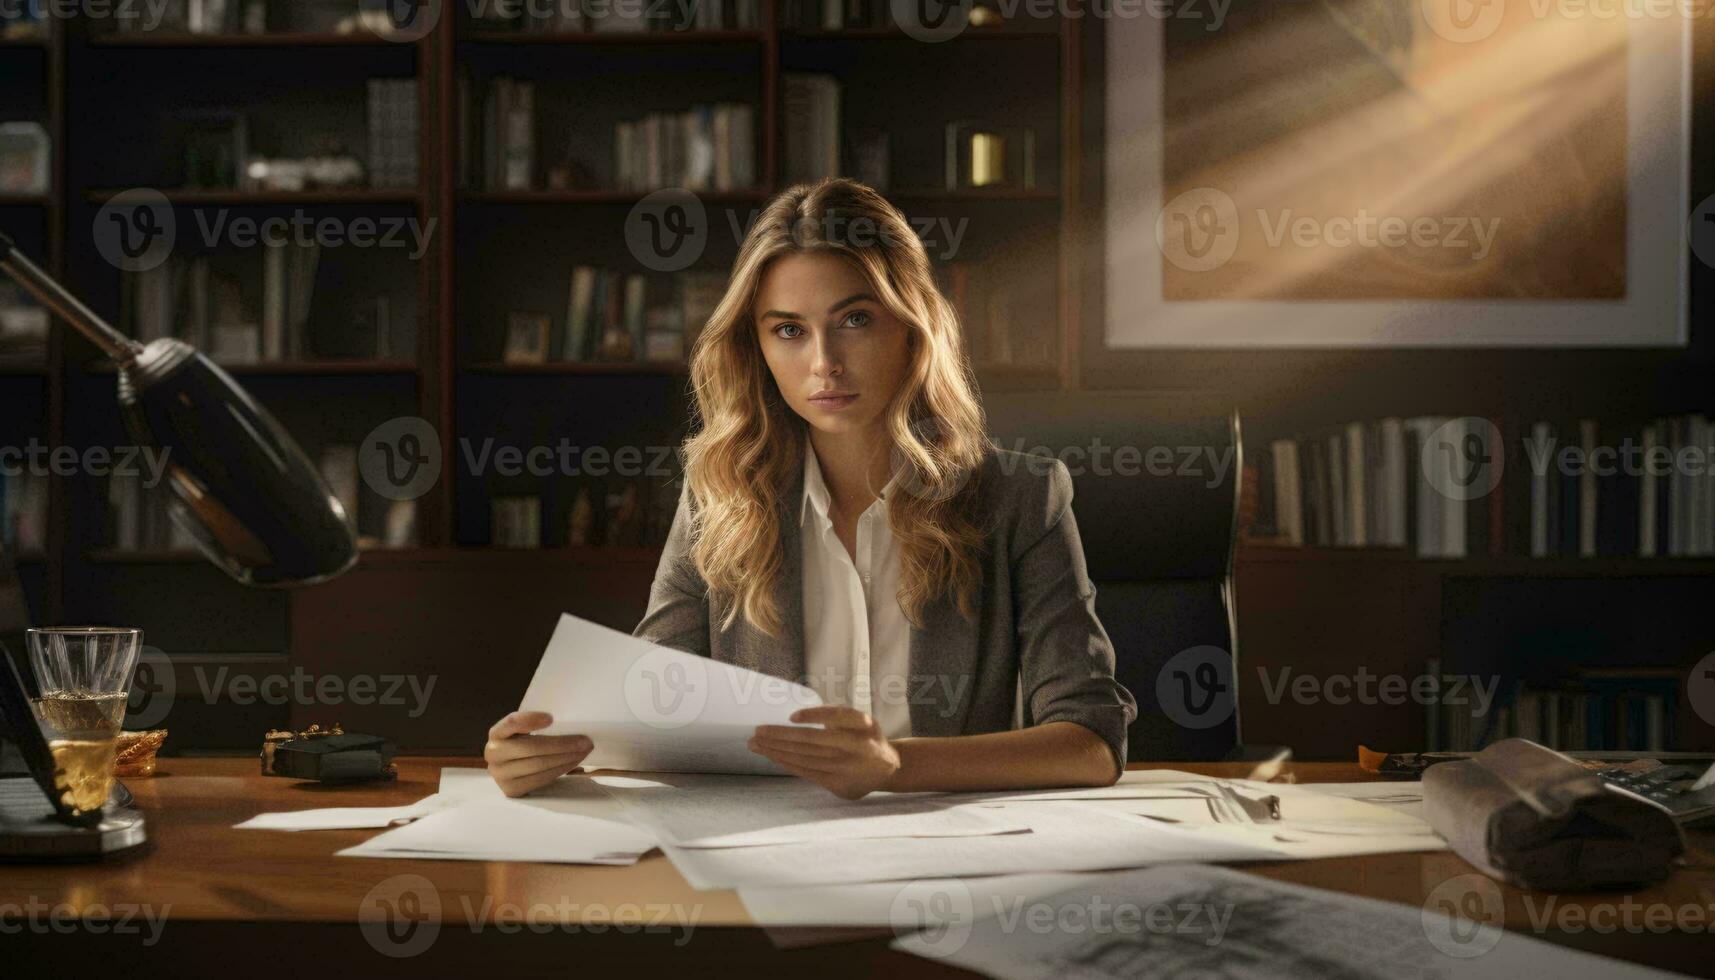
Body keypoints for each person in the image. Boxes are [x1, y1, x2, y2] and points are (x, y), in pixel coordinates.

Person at [486, 178, 1135, 800]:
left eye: (854, 319)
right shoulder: (721, 497)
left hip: (948, 857)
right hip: (763, 853)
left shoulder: (1021, 497)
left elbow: (1090, 741)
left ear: (911, 327)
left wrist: (892, 766)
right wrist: (548, 752)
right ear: (758, 347)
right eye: (789, 330)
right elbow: (653, 700)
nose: (822, 361)